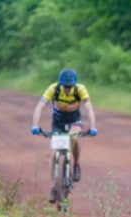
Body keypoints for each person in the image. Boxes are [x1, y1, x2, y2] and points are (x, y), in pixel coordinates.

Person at [31, 67, 98, 202]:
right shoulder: (53, 88)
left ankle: (76, 164)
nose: (67, 89)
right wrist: (35, 125)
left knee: (74, 137)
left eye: (69, 86)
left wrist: (93, 126)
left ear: (74, 84)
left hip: (74, 121)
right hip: (58, 122)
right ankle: (54, 187)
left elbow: (89, 107)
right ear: (60, 84)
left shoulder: (80, 89)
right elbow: (40, 106)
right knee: (54, 152)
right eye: (65, 86)